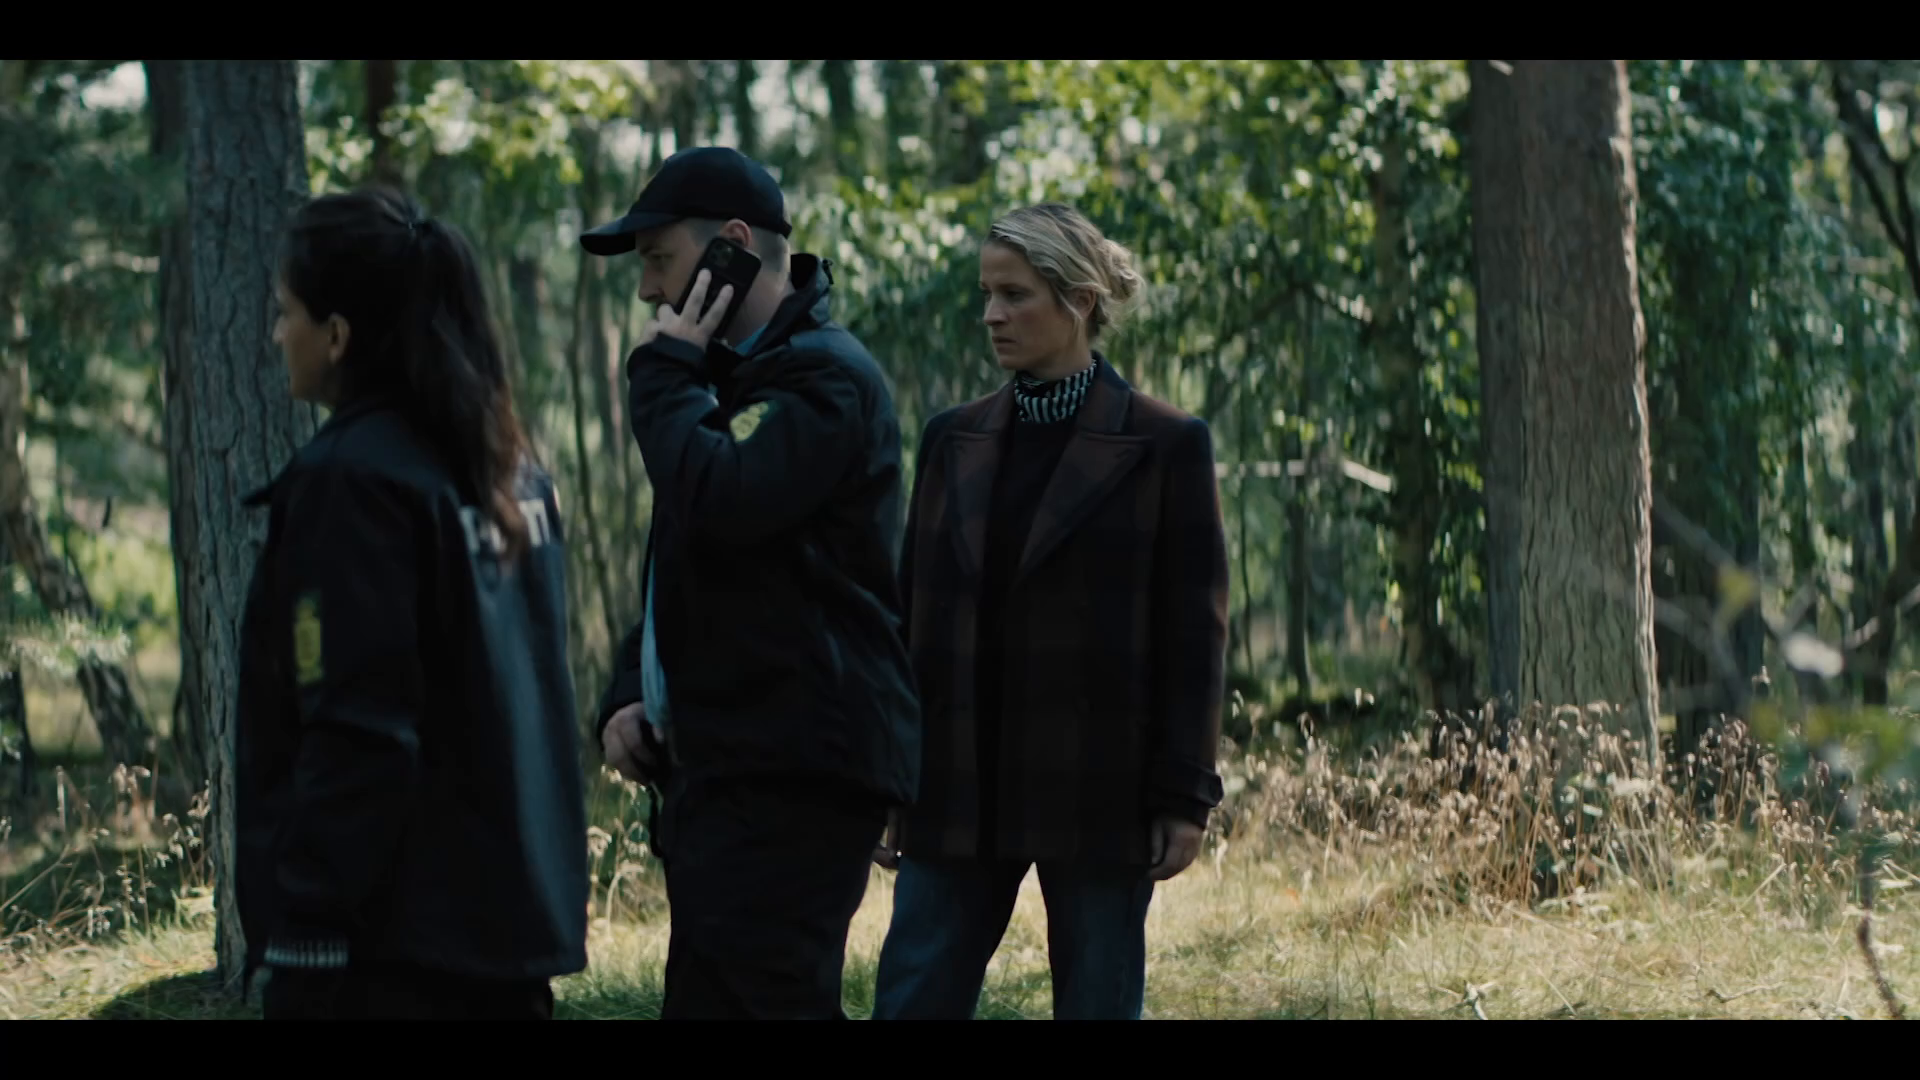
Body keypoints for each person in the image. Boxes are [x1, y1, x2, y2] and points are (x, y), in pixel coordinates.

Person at [582, 146, 920, 1020]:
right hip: (728, 773)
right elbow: (688, 557)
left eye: (659, 259)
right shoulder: (725, 383)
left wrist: (663, 375)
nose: (649, 290)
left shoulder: (822, 377)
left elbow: (725, 501)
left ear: (732, 246)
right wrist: (630, 693)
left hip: (793, 775)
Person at [870, 203, 1231, 1021]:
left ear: (1080, 301)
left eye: (1015, 295)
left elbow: (1194, 636)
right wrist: (890, 772)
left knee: (1098, 1005)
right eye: (987, 294)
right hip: (955, 779)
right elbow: (908, 621)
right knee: (913, 1000)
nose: (992, 315)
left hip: (1099, 782)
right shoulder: (950, 440)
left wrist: (1184, 795)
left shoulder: (1167, 444)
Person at [234, 188, 587, 1021]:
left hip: (392, 960)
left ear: (337, 335)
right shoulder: (511, 471)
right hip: (508, 947)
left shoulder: (354, 482)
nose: (277, 336)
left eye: (286, 313)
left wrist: (308, 933)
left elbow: (358, 725)